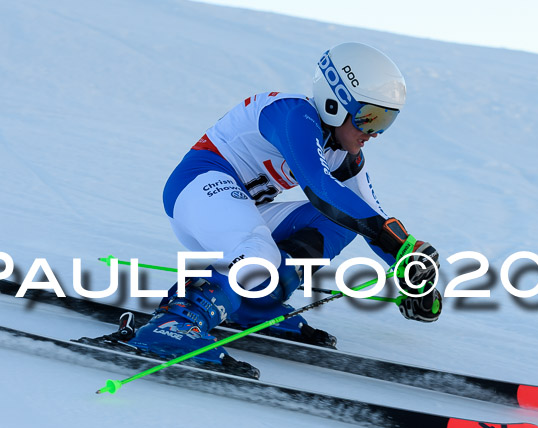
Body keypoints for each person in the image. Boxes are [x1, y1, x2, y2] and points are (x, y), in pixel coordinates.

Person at [126, 42, 442, 364]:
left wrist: (410, 272)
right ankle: (175, 323)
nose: (373, 133)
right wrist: (398, 243)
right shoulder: (295, 116)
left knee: (341, 222)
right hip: (196, 190)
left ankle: (255, 304)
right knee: (260, 247)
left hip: (239, 208)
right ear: (335, 103)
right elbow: (320, 188)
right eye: (368, 118)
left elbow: (370, 215)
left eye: (385, 121)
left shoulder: (344, 152)